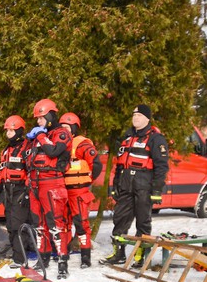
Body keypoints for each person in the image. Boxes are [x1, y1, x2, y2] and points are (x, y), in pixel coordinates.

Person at [100, 104, 169, 267]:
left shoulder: (156, 139)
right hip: (126, 185)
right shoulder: (127, 137)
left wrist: (157, 190)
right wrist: (116, 186)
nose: (135, 117)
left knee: (143, 221)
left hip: (144, 185)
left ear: (147, 118)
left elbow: (162, 166)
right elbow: (120, 164)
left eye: (138, 115)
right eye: (133, 115)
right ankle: (118, 253)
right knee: (120, 218)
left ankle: (140, 255)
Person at [27, 98, 72, 279]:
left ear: (50, 116)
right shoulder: (40, 136)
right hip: (35, 184)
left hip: (52, 183)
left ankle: (62, 261)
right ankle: (43, 257)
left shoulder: (61, 134)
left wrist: (40, 136)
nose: (38, 122)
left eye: (41, 118)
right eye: (37, 119)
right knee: (39, 224)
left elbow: (53, 151)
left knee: (55, 224)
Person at [59, 113, 100, 268]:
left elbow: (96, 164)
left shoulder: (81, 144)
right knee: (63, 224)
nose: (64, 130)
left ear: (74, 127)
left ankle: (85, 257)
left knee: (81, 224)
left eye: (67, 127)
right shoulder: (59, 145)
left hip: (79, 191)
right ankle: (64, 253)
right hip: (63, 191)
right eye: (62, 127)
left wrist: (87, 181)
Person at [0, 115, 33, 267]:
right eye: (7, 131)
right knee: (10, 225)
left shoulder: (26, 148)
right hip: (7, 190)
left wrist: (27, 192)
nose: (8, 134)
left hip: (20, 191)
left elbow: (31, 171)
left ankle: (20, 259)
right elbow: (1, 171)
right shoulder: (6, 150)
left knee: (18, 226)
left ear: (19, 131)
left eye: (11, 131)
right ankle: (15, 254)